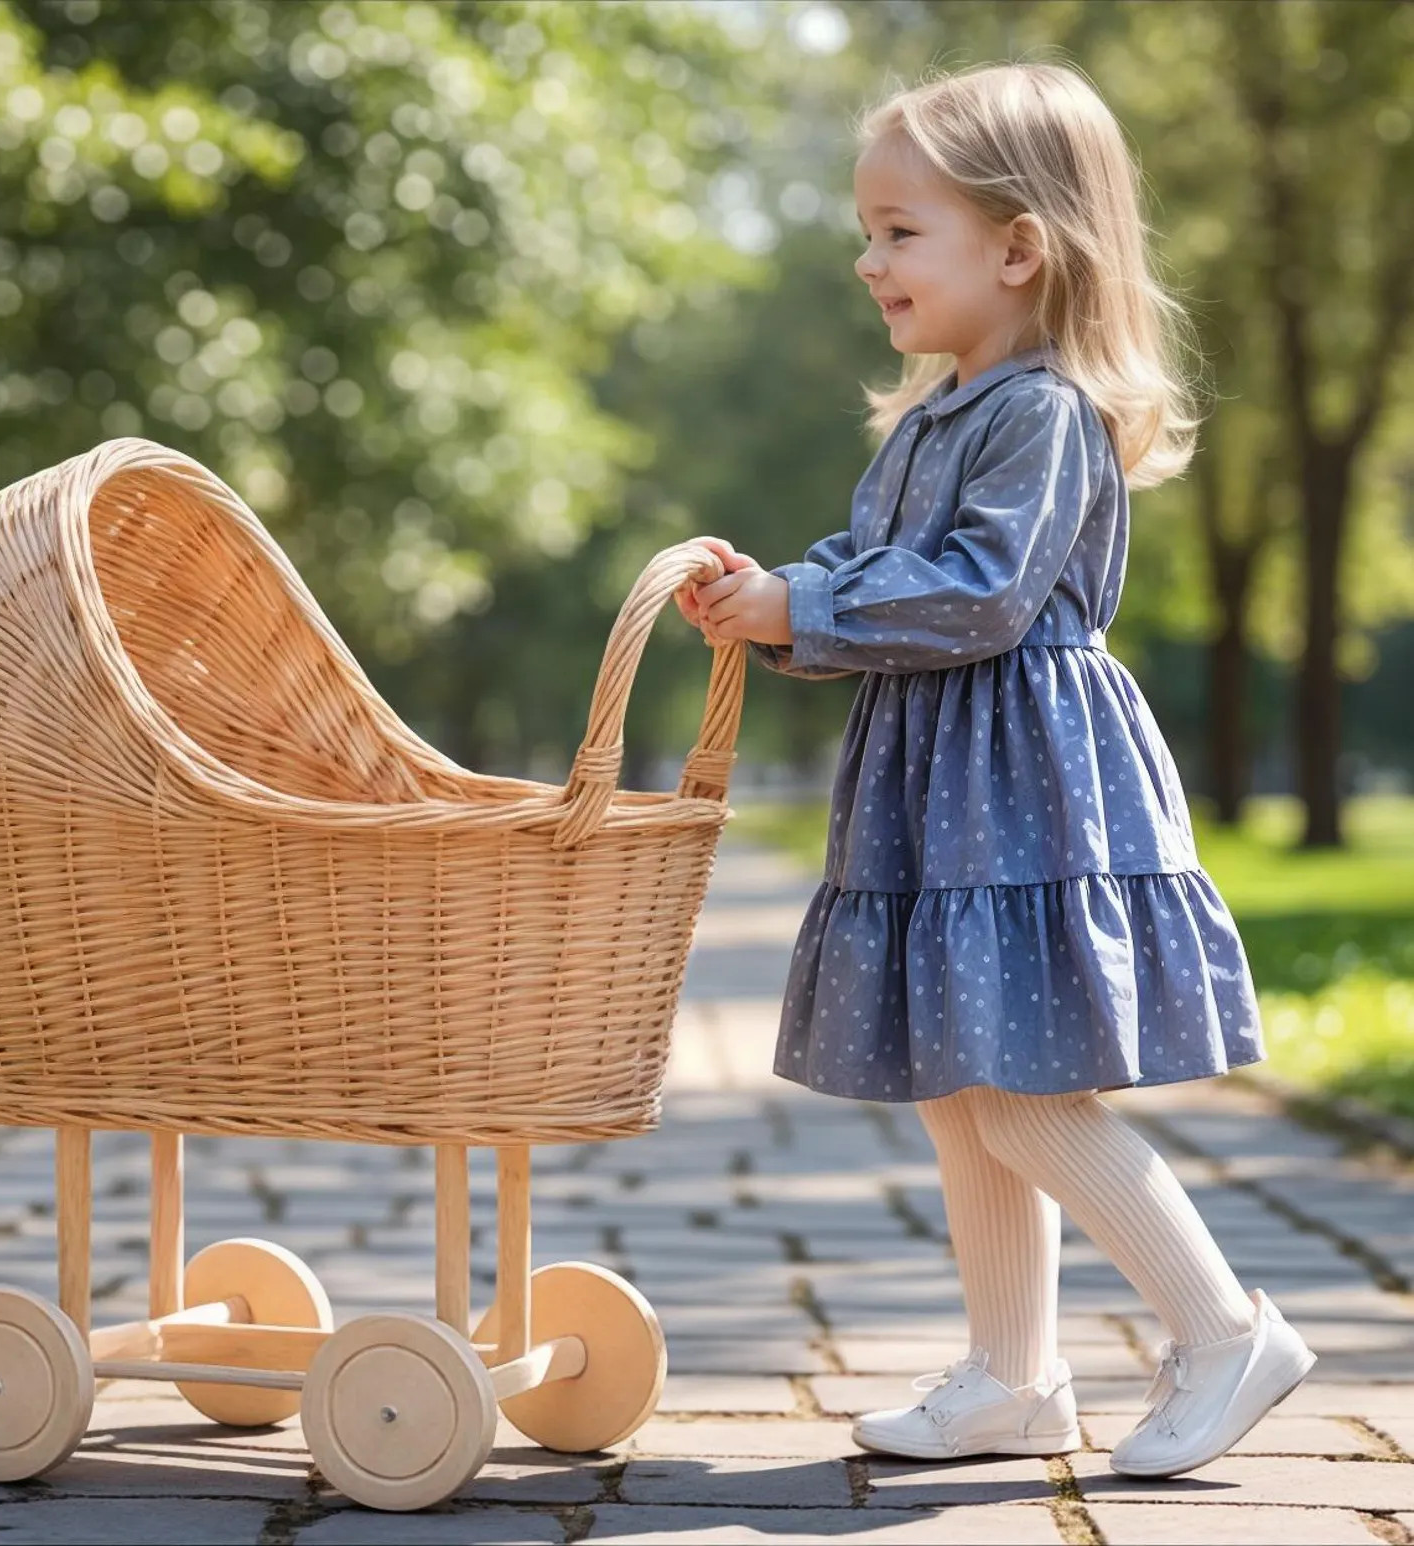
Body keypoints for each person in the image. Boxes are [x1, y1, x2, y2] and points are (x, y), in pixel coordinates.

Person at [673, 60, 1314, 1480]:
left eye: (902, 231)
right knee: (960, 1078)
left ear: (1019, 247)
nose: (868, 260)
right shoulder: (934, 415)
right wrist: (777, 596)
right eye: (869, 231)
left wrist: (807, 606)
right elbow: (877, 572)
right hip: (937, 782)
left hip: (1018, 781)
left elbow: (980, 594)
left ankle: (1226, 1331)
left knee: (1019, 1087)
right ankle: (1015, 1378)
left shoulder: (1045, 412)